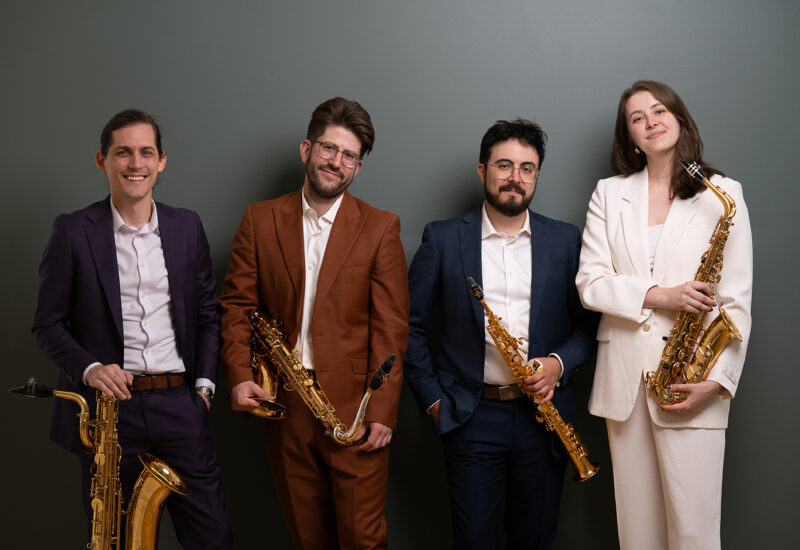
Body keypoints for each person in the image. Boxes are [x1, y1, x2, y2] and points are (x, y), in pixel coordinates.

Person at [31, 109, 233, 548]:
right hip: (109, 414)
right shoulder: (72, 231)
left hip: (181, 406)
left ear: (162, 161)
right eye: (123, 153)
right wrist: (90, 369)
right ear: (101, 160)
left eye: (146, 153)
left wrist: (203, 390)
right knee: (118, 541)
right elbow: (47, 324)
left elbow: (206, 313)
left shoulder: (187, 226)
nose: (135, 164)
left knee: (213, 539)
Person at [219, 97, 409, 550]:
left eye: (349, 156)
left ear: (358, 167)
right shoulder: (259, 219)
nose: (336, 162)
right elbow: (236, 306)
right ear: (307, 149)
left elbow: (391, 328)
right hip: (286, 406)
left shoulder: (381, 227)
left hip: (356, 408)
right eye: (329, 148)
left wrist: (382, 411)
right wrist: (240, 376)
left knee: (363, 539)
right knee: (308, 538)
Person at [404, 119, 598, 550]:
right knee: (473, 542)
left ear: (537, 176)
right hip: (470, 415)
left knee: (535, 541)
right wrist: (434, 402)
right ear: (482, 171)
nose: (515, 177)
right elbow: (410, 326)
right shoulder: (442, 238)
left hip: (543, 417)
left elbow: (588, 327)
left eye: (527, 168)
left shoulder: (565, 240)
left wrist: (557, 364)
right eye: (504, 165)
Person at [575, 80, 752, 550]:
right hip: (624, 385)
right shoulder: (609, 193)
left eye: (659, 111)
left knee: (694, 532)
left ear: (679, 119)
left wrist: (718, 382)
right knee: (637, 534)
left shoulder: (723, 194)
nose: (651, 122)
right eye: (637, 118)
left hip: (692, 378)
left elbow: (736, 303)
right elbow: (590, 282)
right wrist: (660, 295)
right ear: (630, 137)